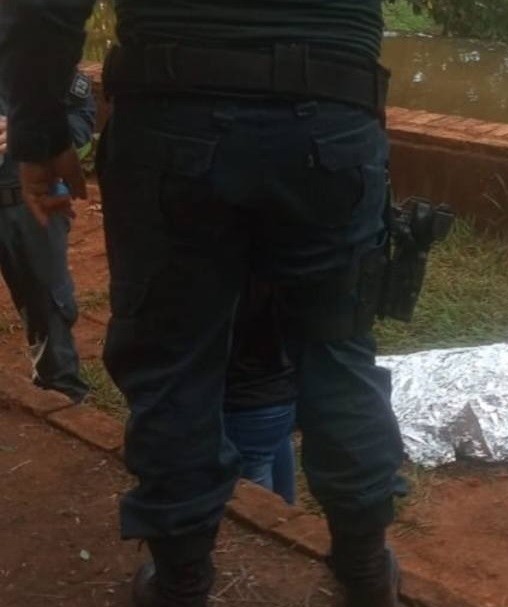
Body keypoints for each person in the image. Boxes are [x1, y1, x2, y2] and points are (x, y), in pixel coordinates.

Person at [0, 2, 405, 607]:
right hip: (334, 123)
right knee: (338, 352)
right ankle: (366, 567)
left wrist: (38, 135)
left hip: (172, 127)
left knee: (173, 360)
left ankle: (182, 582)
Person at [0, 69, 93, 404]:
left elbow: (80, 118)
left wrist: (33, 135)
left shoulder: (37, 50)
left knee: (48, 300)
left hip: (30, 202)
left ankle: (60, 394)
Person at [224, 280, 298, 506]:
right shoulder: (280, 271)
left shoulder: (232, 284)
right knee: (277, 446)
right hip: (282, 392)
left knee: (257, 506)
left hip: (247, 399)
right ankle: (289, 517)